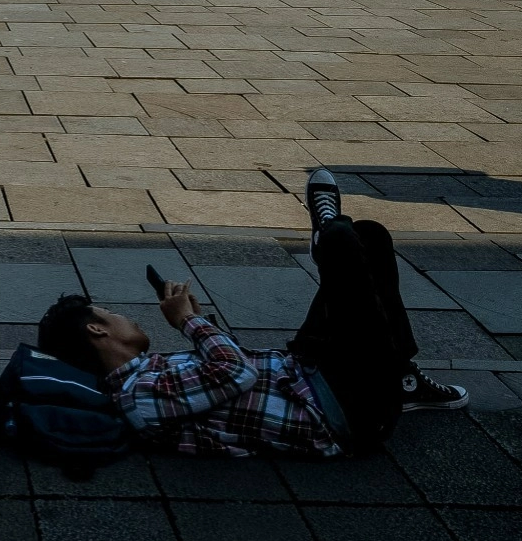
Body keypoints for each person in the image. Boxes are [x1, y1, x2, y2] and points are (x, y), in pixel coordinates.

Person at [37, 170, 466, 461]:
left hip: (310, 369)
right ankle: (325, 238)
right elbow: (237, 372)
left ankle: (402, 378)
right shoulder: (138, 398)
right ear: (96, 329)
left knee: (368, 236)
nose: (125, 317)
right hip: (345, 407)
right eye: (110, 313)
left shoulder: (151, 373)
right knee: (341, 242)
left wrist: (202, 324)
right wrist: (188, 323)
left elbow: (231, 371)